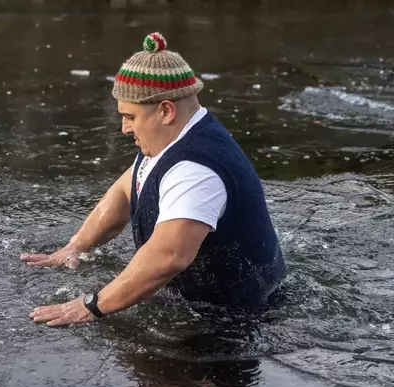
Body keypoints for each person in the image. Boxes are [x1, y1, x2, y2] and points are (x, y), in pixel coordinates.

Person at [21, 32, 286, 327]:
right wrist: (76, 246)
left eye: (130, 117)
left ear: (165, 111)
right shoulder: (174, 138)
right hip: (201, 306)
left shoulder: (195, 170)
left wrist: (90, 306)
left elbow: (168, 257)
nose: (124, 128)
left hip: (230, 324)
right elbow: (125, 190)